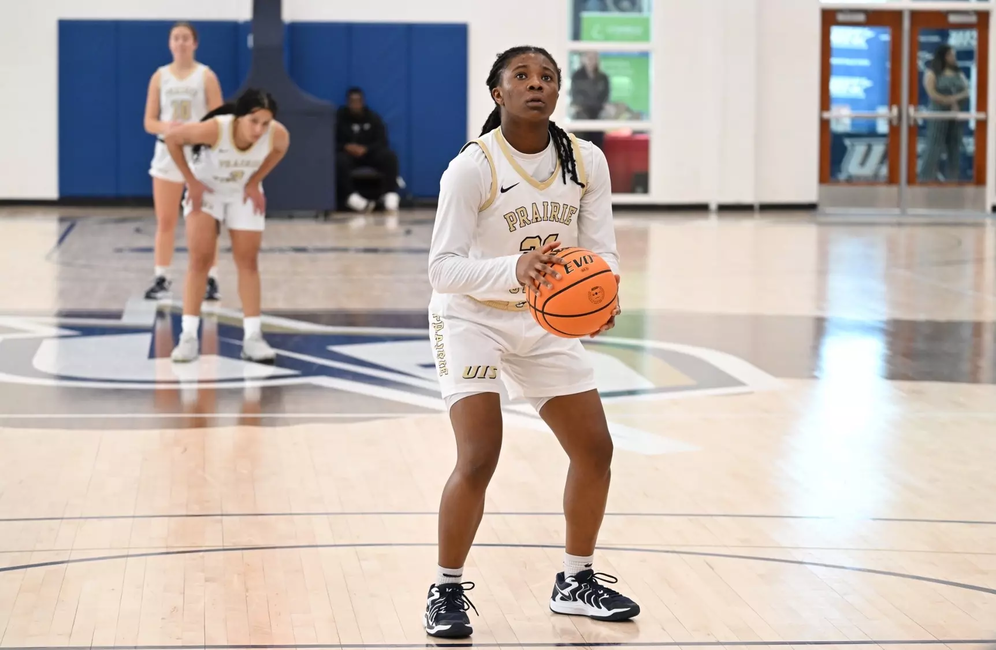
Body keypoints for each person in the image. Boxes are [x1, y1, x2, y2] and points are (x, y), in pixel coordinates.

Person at [422, 45, 638, 639]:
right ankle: (445, 590)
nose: (535, 85)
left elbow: (602, 251)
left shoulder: (585, 162)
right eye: (522, 76)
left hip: (543, 319)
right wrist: (513, 268)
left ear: (557, 92)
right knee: (479, 454)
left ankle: (576, 580)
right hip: (471, 317)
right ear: (499, 93)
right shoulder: (473, 167)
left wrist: (604, 294)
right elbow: (442, 269)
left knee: (595, 449)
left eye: (546, 77)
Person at [163, 88, 290, 364]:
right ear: (238, 118)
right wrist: (192, 182)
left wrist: (256, 180)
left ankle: (253, 338)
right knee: (200, 259)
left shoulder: (276, 134)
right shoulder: (214, 130)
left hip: (242, 191)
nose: (259, 130)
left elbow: (281, 148)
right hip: (207, 190)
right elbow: (172, 139)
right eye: (253, 122)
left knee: (248, 262)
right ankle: (188, 336)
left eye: (265, 123)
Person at [143, 21, 225, 301]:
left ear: (195, 43)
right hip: (167, 155)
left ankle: (210, 279)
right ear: (170, 43)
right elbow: (149, 122)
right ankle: (161, 277)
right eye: (176, 38)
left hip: (199, 156)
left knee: (204, 222)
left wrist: (194, 131)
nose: (180, 42)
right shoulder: (159, 76)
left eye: (185, 38)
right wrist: (168, 127)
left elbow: (220, 120)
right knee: (165, 221)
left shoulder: (206, 76)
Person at [335, 87, 401, 214]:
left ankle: (390, 195)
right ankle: (351, 198)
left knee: (389, 156)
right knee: (339, 161)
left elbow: (382, 141)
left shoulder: (372, 118)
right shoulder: (339, 118)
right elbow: (333, 141)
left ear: (363, 101)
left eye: (358, 101)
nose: (355, 104)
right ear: (348, 102)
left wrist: (366, 149)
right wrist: (346, 147)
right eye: (352, 101)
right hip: (348, 155)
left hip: (369, 154)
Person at [919, 44, 970, 182]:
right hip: (938, 115)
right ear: (944, 56)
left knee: (954, 148)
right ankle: (925, 180)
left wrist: (956, 102)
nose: (953, 58)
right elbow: (933, 94)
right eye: (951, 55)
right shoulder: (932, 73)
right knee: (933, 148)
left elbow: (966, 91)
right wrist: (951, 100)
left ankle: (953, 181)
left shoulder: (959, 73)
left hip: (955, 115)